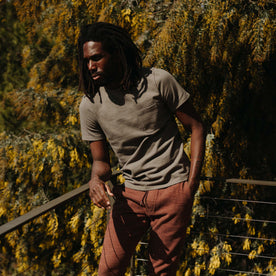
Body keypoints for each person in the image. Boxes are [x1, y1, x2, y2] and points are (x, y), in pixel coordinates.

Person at [78, 22, 205, 276]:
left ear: (115, 53)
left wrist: (190, 186)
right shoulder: (90, 105)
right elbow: (101, 163)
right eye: (87, 61)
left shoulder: (158, 81)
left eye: (97, 58)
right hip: (129, 196)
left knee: (159, 273)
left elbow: (197, 126)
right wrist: (95, 180)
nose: (91, 66)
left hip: (172, 193)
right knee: (108, 270)